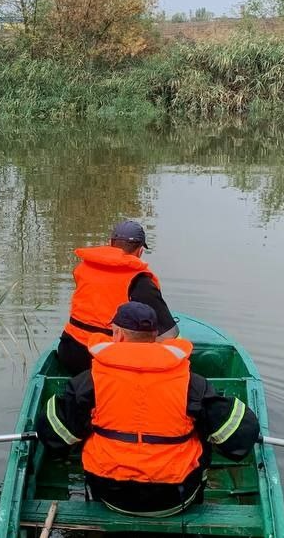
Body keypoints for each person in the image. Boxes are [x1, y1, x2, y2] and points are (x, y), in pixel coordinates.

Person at [37, 302, 259, 517]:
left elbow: (54, 434)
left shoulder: (89, 381)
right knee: (202, 433)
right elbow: (240, 436)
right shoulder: (192, 383)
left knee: (85, 427)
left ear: (119, 336)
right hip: (175, 497)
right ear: (155, 339)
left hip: (111, 496)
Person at [58, 220, 176, 375]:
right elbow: (169, 333)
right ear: (140, 251)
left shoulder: (84, 267)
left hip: (70, 350)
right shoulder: (140, 281)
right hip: (106, 357)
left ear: (110, 243)